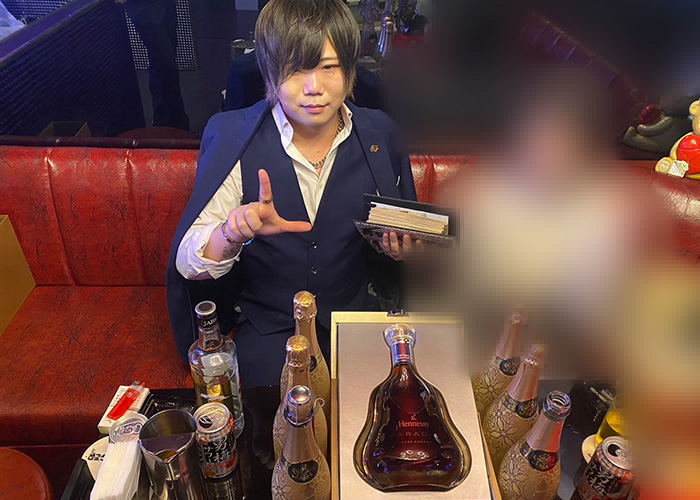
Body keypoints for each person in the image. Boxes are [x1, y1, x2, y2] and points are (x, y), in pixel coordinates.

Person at [167, 0, 417, 386]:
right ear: (269, 73)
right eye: (296, 69)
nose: (314, 88)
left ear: (349, 70)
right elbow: (188, 262)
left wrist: (398, 249)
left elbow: (401, 228)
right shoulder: (234, 137)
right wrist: (232, 233)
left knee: (388, 402)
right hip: (269, 329)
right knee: (268, 414)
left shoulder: (380, 133)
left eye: (329, 67)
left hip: (354, 321)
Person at [118, 0, 190, 131]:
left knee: (165, 64)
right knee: (165, 63)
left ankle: (175, 127)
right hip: (142, 6)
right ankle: (167, 127)